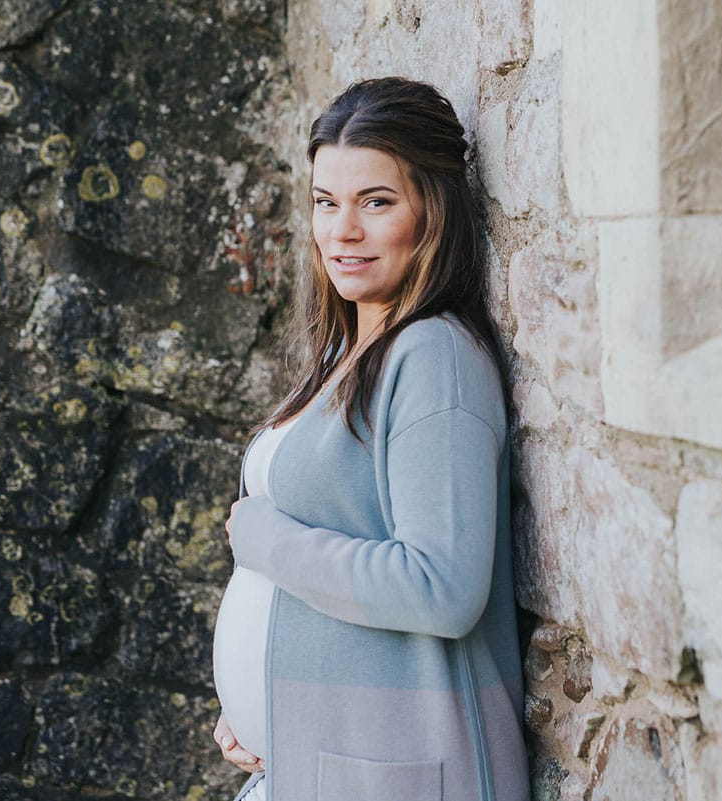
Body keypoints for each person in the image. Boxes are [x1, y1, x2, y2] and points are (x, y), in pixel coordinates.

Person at [210, 77, 531, 801]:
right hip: (314, 757)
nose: (342, 231)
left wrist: (266, 541)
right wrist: (262, 706)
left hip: (397, 777)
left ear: (433, 213)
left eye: (375, 203)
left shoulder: (435, 357)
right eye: (327, 202)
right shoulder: (345, 353)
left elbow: (440, 587)